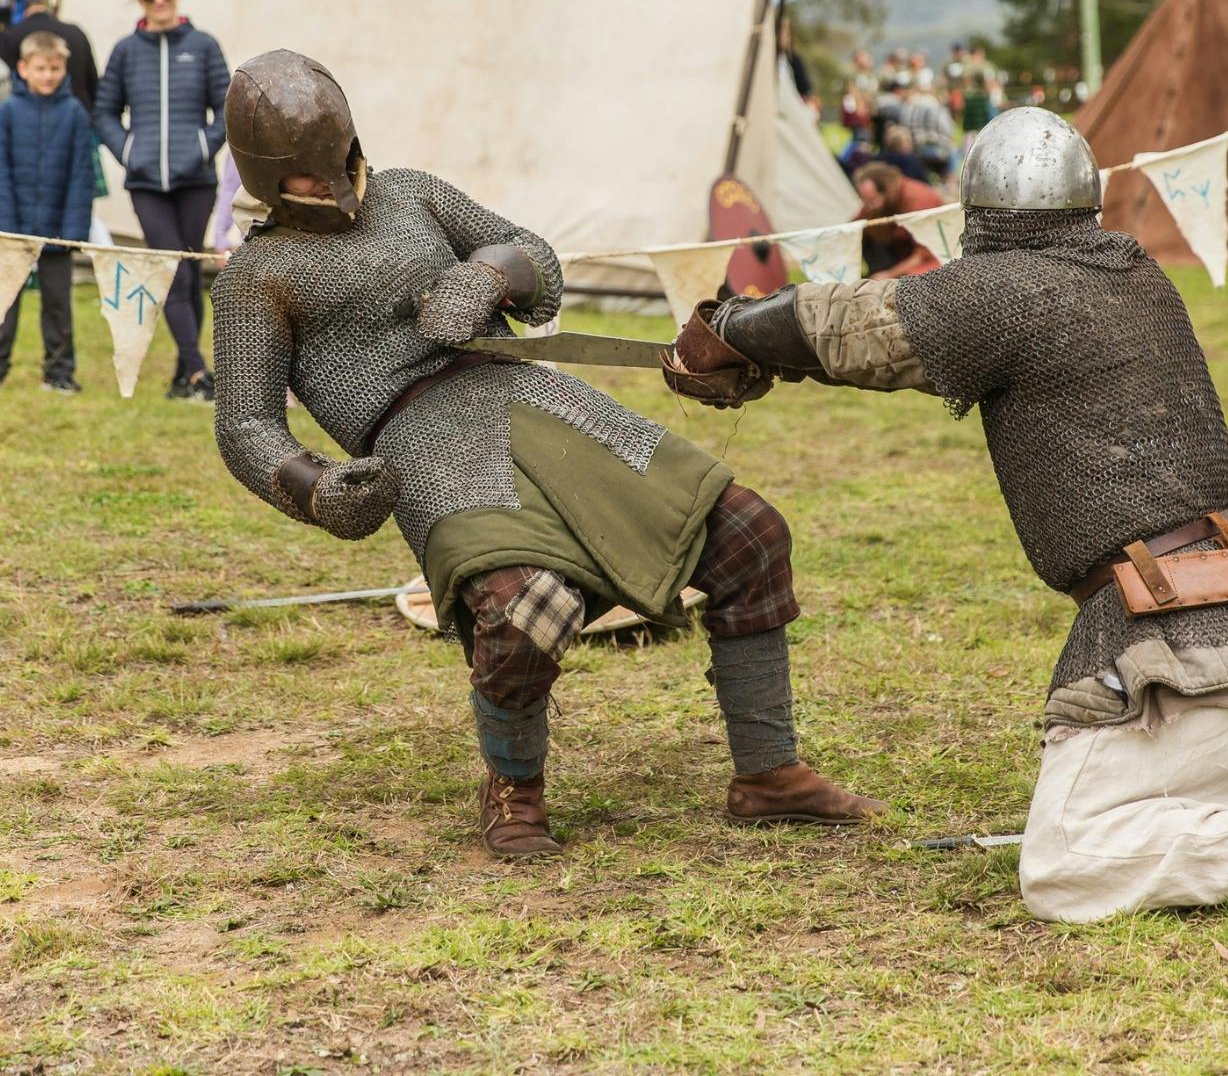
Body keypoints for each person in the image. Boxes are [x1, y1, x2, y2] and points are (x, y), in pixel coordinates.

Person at [663, 107, 1228, 923]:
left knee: (1064, 870)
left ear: (981, 213)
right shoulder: (1133, 272)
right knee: (1146, 825)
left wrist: (727, 326)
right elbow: (892, 344)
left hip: (1172, 657)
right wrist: (782, 360)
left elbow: (856, 327)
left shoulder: (1001, 291)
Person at [211, 50, 885, 858]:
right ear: (268, 180)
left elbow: (533, 253)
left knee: (749, 535)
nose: (336, 188)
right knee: (523, 610)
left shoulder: (414, 193)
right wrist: (318, 488)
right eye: (311, 182)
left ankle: (768, 772)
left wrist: (490, 276)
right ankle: (513, 791)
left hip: (537, 398)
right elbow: (244, 425)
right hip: (424, 440)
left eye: (341, 167)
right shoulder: (258, 277)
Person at [94, 0, 230, 402]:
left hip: (196, 181)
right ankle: (196, 371)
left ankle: (182, 373)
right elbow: (104, 112)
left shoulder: (204, 46)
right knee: (170, 268)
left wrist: (201, 148)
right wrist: (131, 153)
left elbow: (227, 109)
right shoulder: (125, 51)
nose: (158, 1)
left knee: (189, 271)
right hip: (146, 184)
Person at [0, 31, 95, 394]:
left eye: (54, 68)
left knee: (58, 304)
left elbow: (80, 176)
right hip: (14, 230)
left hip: (58, 228)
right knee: (5, 303)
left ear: (64, 68)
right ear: (23, 69)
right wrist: (7, 228)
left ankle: (58, 372)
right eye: (40, 68)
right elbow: (3, 173)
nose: (48, 75)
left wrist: (72, 231)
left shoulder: (74, 113)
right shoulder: (8, 112)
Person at [0, 0, 99, 116]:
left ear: (16, 4)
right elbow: (93, 85)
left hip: (28, 129)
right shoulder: (76, 33)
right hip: (83, 122)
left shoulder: (8, 38)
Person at [852, 161, 943, 279]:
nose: (869, 207)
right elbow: (858, 226)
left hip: (929, 262)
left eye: (873, 201)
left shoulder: (917, 201)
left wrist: (889, 275)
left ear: (886, 190)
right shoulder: (880, 205)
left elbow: (926, 253)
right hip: (900, 254)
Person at [898, 77, 956, 182]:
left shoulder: (909, 106)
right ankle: (950, 183)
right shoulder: (936, 105)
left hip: (916, 150)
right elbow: (948, 129)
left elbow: (904, 126)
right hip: (939, 151)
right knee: (954, 150)